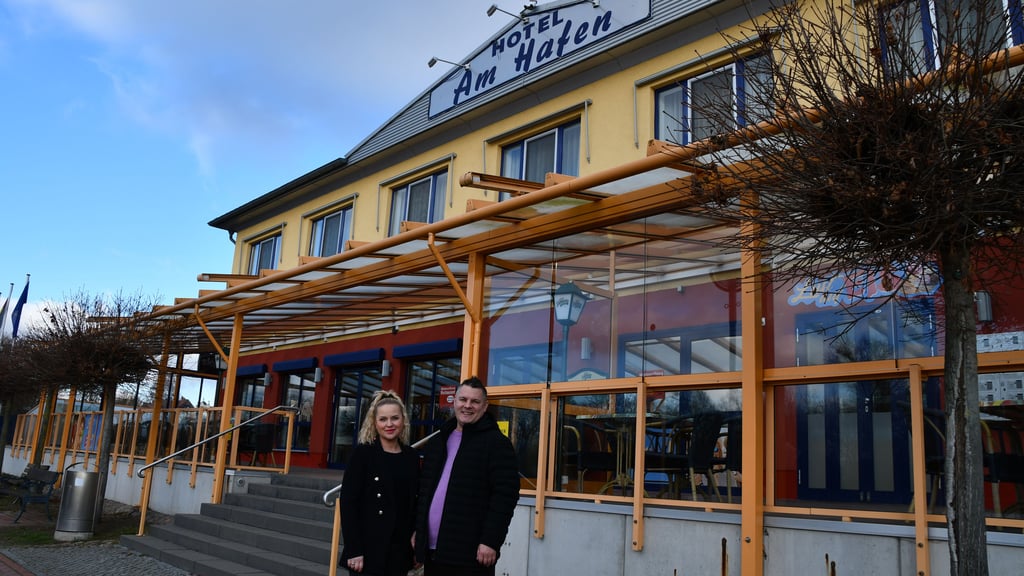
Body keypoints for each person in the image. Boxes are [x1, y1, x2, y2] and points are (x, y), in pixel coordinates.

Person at [414, 376, 519, 576]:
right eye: (463, 399)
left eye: (475, 401)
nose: (467, 406)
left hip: (470, 556)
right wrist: (418, 533)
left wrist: (490, 541)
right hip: (433, 552)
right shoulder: (438, 441)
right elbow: (424, 491)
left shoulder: (497, 444)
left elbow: (505, 497)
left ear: (485, 406)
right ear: (454, 401)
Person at [340, 390, 420, 575]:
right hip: (368, 550)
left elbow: (416, 503)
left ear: (403, 420)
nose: (389, 424)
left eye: (395, 418)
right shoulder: (363, 454)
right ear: (374, 423)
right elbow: (348, 503)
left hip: (400, 550)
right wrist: (354, 549)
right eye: (383, 419)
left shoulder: (412, 457)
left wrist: (417, 545)